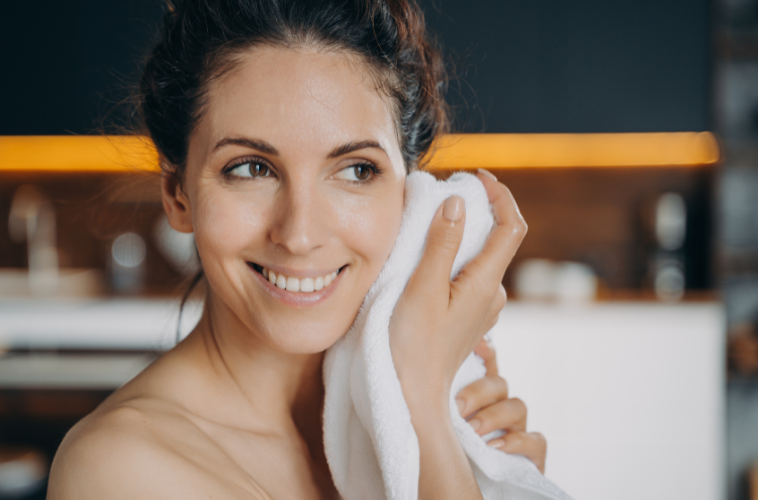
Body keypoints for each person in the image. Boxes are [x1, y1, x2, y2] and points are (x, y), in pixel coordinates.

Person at [47, 0, 542, 498]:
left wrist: (491, 473)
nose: (300, 235)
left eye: (356, 170)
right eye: (251, 168)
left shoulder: (413, 406)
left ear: (411, 193)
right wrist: (429, 425)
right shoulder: (119, 470)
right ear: (178, 195)